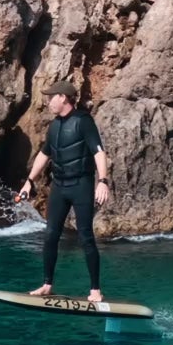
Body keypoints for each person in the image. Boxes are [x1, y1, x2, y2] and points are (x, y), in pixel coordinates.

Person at [18, 80, 111, 302]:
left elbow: (98, 152)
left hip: (81, 185)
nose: (49, 101)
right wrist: (29, 180)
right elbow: (44, 154)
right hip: (59, 186)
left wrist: (103, 181)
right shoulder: (54, 126)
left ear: (64, 98)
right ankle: (47, 284)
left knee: (85, 235)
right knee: (50, 235)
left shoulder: (83, 121)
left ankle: (95, 290)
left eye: (52, 97)